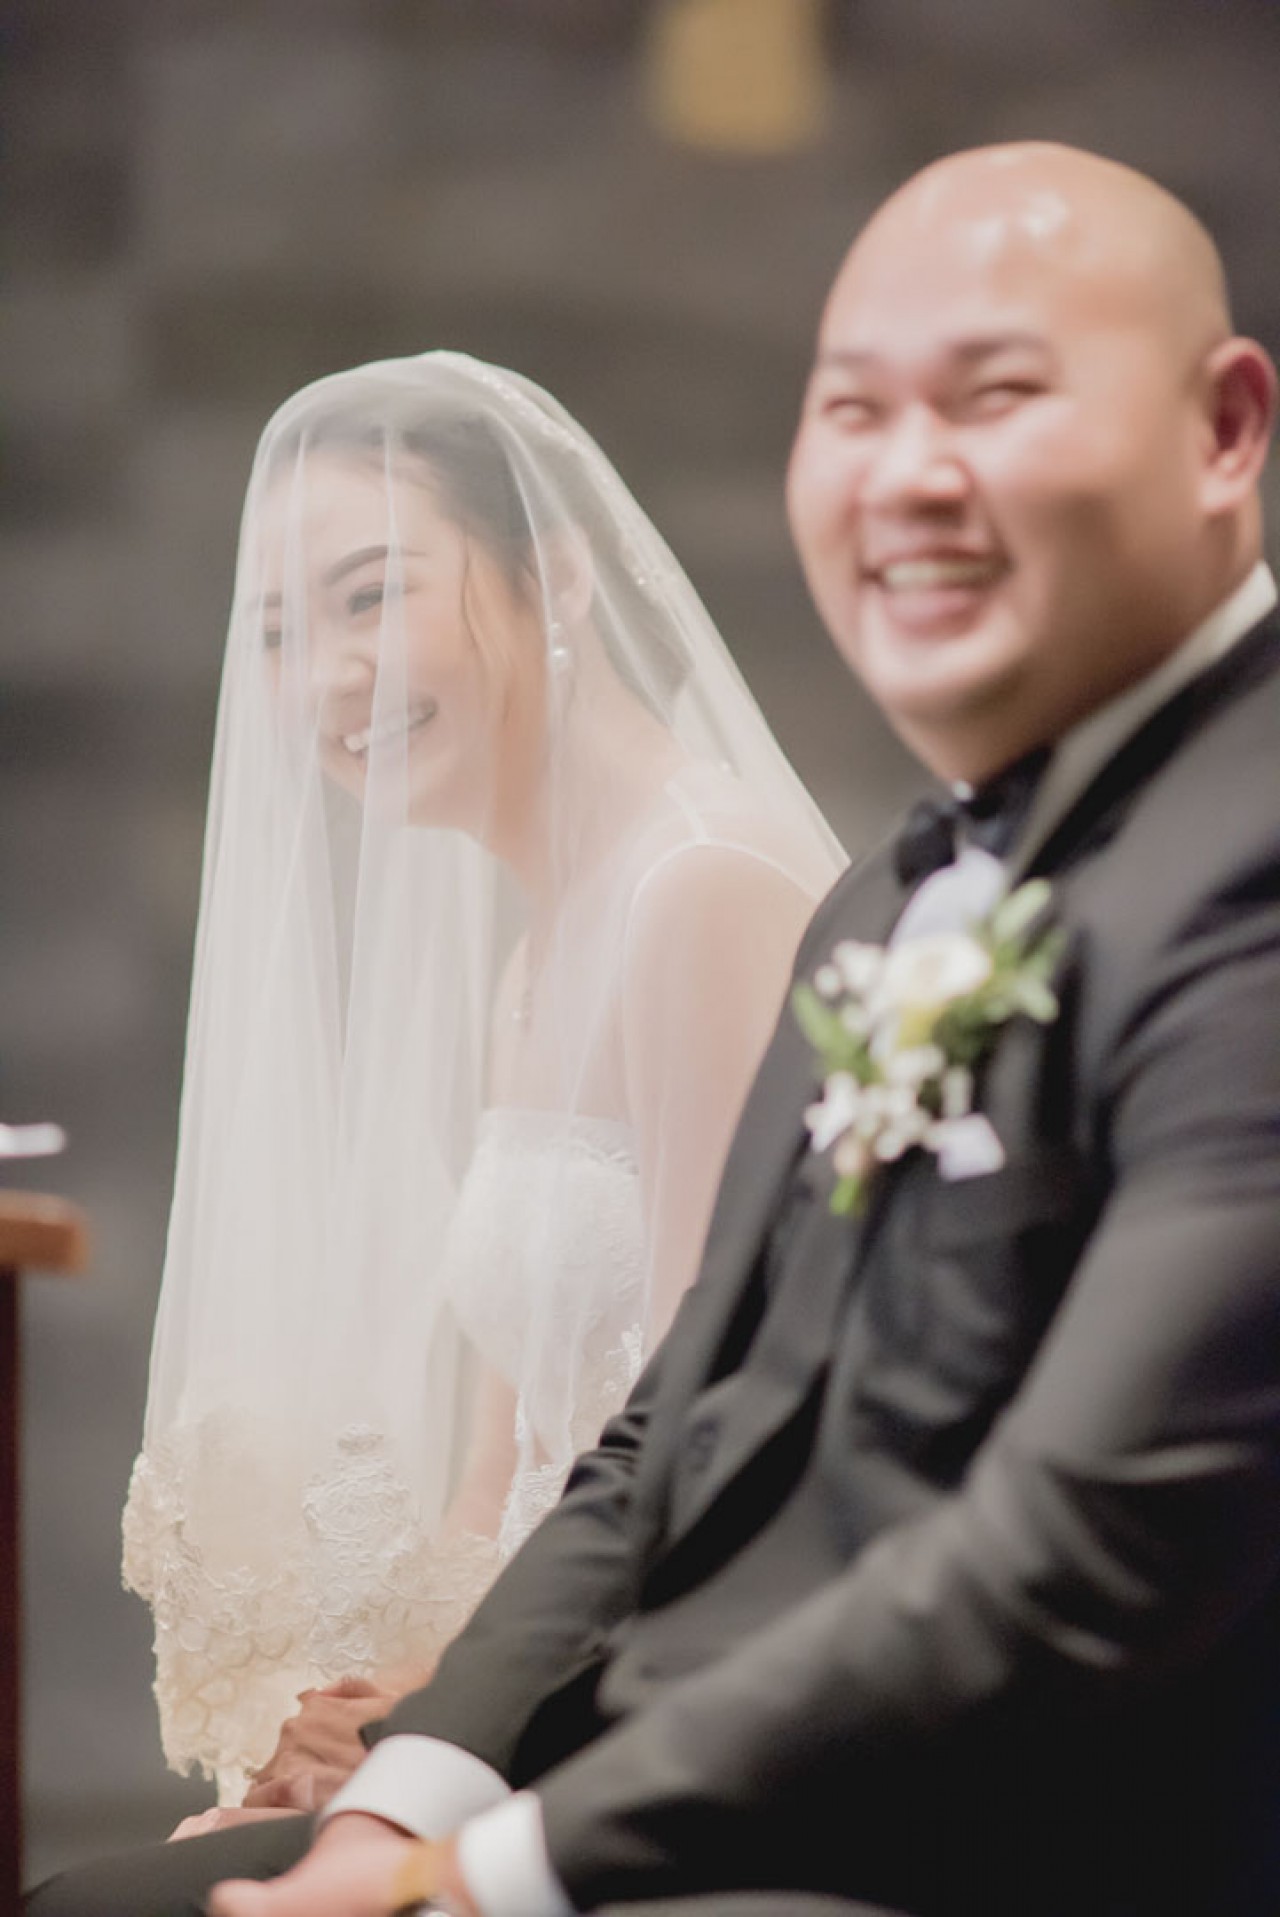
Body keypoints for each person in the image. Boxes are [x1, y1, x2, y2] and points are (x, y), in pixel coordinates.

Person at [28, 137, 1280, 1917]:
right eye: (853, 411)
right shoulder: (903, 890)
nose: (910, 473)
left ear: (1228, 427)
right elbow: (663, 1428)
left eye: (994, 396)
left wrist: (488, 1859)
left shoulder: (1225, 863)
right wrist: (409, 1786)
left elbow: (1067, 1539)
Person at [116, 353, 844, 1806]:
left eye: (373, 597)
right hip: (523, 1676)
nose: (328, 677)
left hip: (653, 1707)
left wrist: (436, 1735)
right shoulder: (540, 947)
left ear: (557, 581)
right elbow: (500, 1472)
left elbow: (704, 1424)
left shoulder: (701, 891)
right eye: (278, 633)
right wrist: (365, 1709)